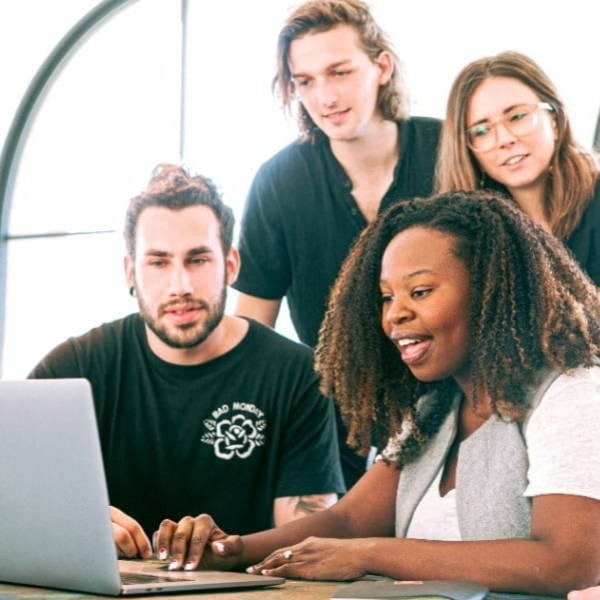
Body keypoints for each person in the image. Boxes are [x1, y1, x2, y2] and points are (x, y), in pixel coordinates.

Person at [150, 190, 600, 596]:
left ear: (489, 290)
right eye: (386, 297)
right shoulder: (436, 407)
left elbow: (569, 561)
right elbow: (347, 521)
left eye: (420, 291)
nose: (394, 317)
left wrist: (370, 554)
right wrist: (231, 549)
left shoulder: (572, 392)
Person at [29, 164, 345, 561]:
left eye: (197, 260)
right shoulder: (74, 367)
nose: (180, 285)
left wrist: (228, 550)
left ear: (230, 265)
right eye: (158, 262)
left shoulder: (296, 373)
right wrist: (76, 522)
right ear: (131, 271)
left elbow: (305, 546)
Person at [233, 0, 441, 486]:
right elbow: (250, 334)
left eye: (339, 72)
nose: (324, 96)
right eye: (304, 81)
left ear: (381, 67)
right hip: (337, 428)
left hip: (460, 409)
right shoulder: (279, 182)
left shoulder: (447, 151)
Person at [436, 50, 600, 285]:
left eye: (517, 116)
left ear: (554, 120)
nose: (504, 139)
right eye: (482, 131)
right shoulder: (467, 237)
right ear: (467, 150)